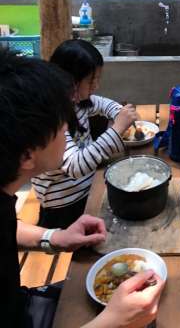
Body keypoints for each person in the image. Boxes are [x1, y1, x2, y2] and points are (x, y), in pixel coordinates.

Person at [0, 48, 164, 328]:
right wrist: (112, 321)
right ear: (27, 156)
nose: (69, 129)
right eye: (61, 126)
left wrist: (54, 237)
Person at [32, 39, 138, 228]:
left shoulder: (79, 101)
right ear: (70, 79)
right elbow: (75, 166)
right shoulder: (52, 116)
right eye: (91, 80)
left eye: (98, 78)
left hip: (89, 187)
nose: (96, 85)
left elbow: (104, 104)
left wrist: (118, 113)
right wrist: (117, 129)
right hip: (64, 207)